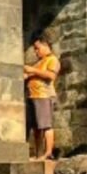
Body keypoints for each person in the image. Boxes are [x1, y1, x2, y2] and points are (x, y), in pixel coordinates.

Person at [24, 31, 60, 161]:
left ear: (45, 45)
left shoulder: (52, 60)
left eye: (37, 48)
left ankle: (48, 152)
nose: (36, 51)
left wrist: (32, 70)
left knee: (46, 125)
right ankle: (39, 153)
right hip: (33, 96)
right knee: (37, 127)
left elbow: (51, 75)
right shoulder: (39, 62)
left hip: (44, 95)